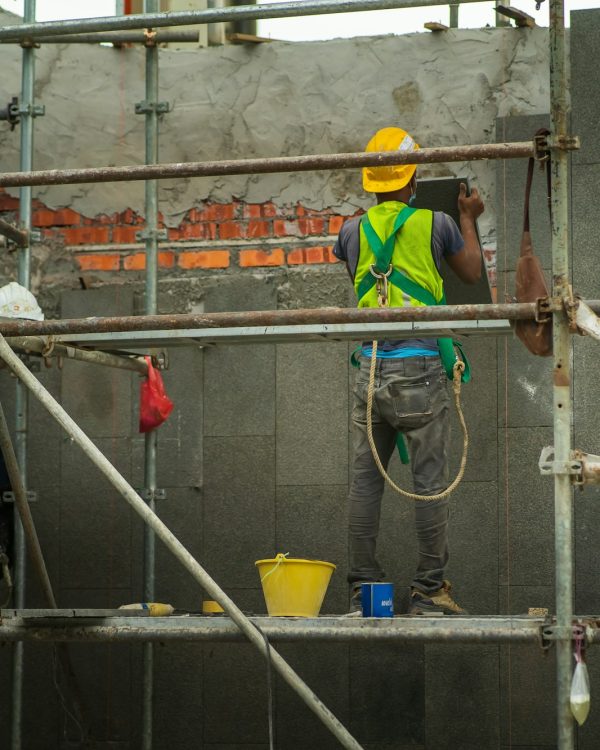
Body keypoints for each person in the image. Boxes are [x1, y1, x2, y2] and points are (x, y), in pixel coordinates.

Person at [333, 126, 484, 615]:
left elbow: (357, 271)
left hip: (370, 369)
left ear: (370, 182)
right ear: (412, 175)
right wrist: (467, 218)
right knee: (430, 483)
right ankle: (429, 591)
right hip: (419, 368)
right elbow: (471, 273)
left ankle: (363, 591)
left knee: (365, 482)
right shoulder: (436, 223)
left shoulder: (350, 231)